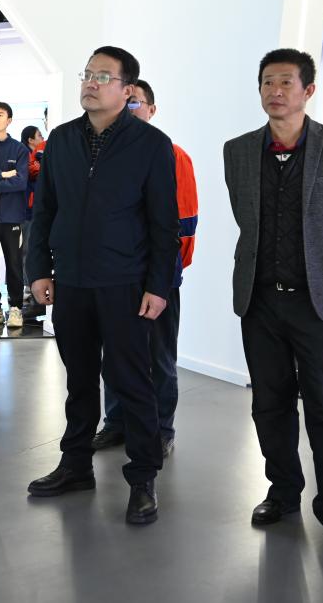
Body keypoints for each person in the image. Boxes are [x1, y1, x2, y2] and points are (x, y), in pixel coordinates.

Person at [223, 48, 323, 557]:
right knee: (270, 403)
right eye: (268, 81)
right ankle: (283, 492)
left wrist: (321, 259)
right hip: (260, 299)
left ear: (308, 90)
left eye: (286, 82)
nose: (275, 91)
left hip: (317, 300)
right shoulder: (238, 151)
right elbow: (245, 215)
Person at [26, 46, 178, 527]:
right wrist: (38, 269)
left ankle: (143, 478)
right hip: (71, 281)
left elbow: (164, 224)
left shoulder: (151, 144)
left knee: (132, 381)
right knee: (78, 380)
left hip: (125, 283)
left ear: (127, 89)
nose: (91, 83)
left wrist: (159, 286)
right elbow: (44, 211)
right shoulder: (62, 140)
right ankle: (75, 465)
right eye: (87, 74)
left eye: (103, 76)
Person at [92, 79, 198, 457]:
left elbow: (185, 223)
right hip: (113, 276)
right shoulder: (103, 155)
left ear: (152, 110)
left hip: (157, 278)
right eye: (125, 102)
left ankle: (161, 429)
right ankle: (116, 422)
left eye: (136, 102)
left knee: (159, 358)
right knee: (113, 355)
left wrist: (166, 275)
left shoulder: (173, 155)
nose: (129, 108)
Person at [0, 102, 29, 329]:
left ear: (9, 120)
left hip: (12, 216)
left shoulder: (19, 149)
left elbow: (20, 182)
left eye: (0, 115)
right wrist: (3, 175)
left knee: (14, 264)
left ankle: (16, 307)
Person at [19, 124, 45, 320]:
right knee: (28, 251)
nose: (42, 139)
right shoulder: (27, 157)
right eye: (39, 135)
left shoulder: (36, 156)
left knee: (30, 250)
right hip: (28, 211)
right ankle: (30, 297)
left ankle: (32, 297)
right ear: (30, 139)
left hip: (34, 210)